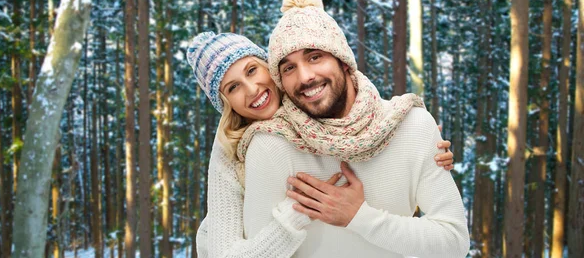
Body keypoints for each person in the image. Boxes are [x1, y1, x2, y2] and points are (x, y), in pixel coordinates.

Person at [236, 0, 470, 257]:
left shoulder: (412, 125)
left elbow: (454, 241)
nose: (305, 77)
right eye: (289, 68)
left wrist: (359, 217)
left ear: (344, 62)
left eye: (315, 56)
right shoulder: (271, 144)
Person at [186, 32, 455, 256]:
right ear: (226, 105)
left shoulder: (314, 101)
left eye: (252, 70)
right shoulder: (231, 149)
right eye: (233, 88)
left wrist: (418, 138)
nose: (252, 89)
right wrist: (299, 212)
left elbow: (366, 114)